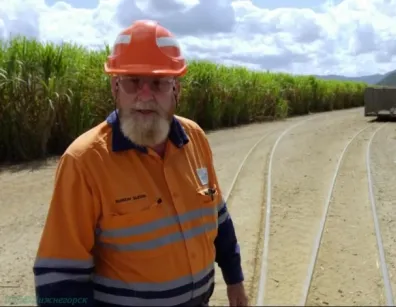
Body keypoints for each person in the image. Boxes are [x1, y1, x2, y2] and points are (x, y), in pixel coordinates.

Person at [32, 19, 248, 307]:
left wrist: (235, 281)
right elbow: (58, 278)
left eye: (158, 83)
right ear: (115, 88)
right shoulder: (84, 162)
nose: (145, 96)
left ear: (176, 90)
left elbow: (218, 217)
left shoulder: (195, 138)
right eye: (133, 81)